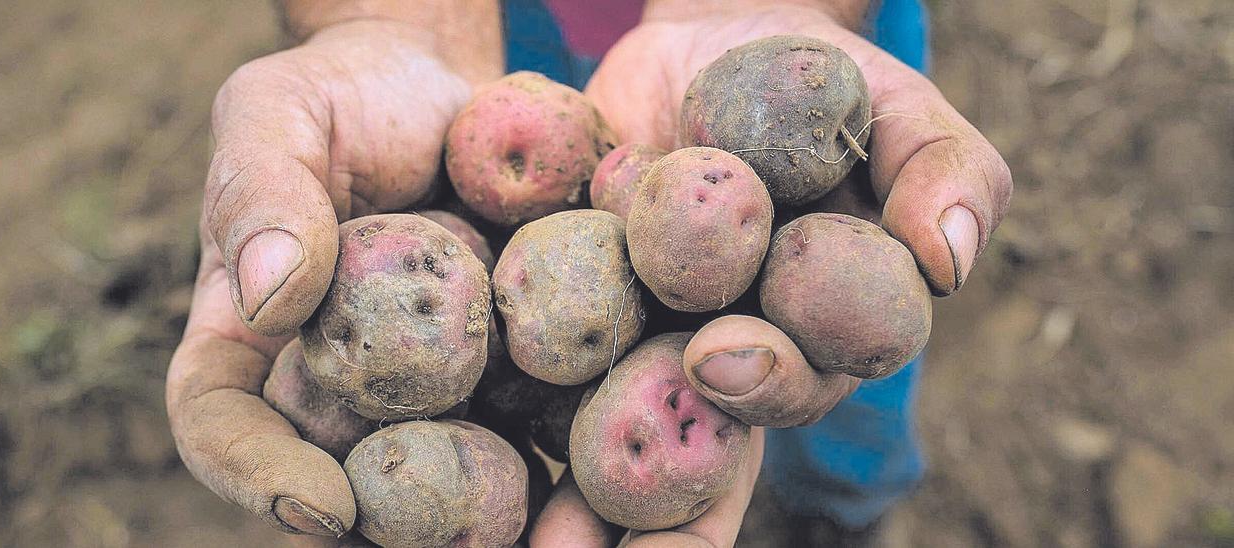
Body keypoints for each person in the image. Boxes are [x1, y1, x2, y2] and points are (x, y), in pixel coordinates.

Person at [165, 1, 1012, 546]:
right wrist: (386, 20)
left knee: (839, 387)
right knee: (751, 373)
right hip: (496, 21)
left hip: (741, 19)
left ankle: (841, 512)